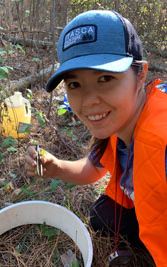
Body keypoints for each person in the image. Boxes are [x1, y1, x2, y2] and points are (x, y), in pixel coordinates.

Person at [25, 10, 167, 266]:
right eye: (75, 84)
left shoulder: (162, 139)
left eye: (105, 78)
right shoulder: (121, 122)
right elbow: (93, 168)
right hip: (143, 203)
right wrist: (57, 167)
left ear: (141, 75)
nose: (89, 101)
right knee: (102, 217)